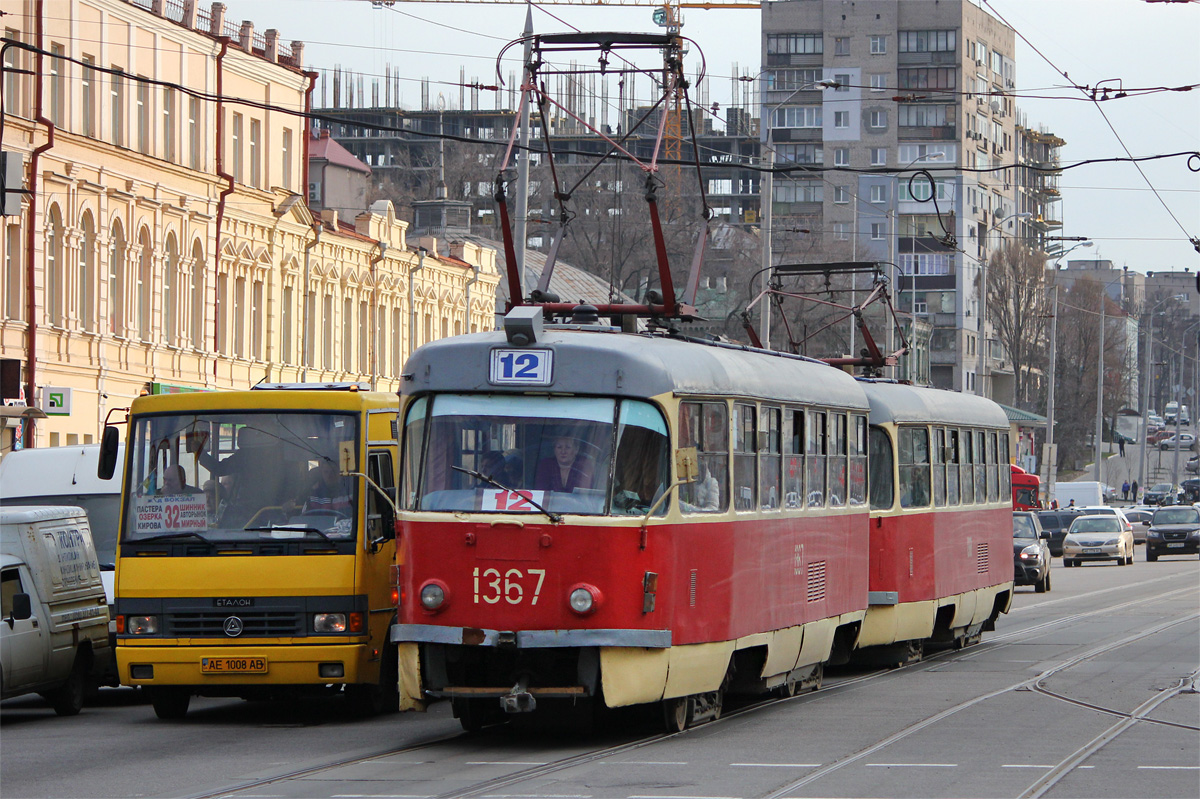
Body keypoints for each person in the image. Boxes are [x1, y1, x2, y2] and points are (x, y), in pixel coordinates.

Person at [287, 458, 352, 517]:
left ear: (340, 473)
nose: (329, 475)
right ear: (321, 473)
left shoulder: (349, 492)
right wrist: (290, 506)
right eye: (326, 472)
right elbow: (299, 514)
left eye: (333, 472)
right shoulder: (312, 493)